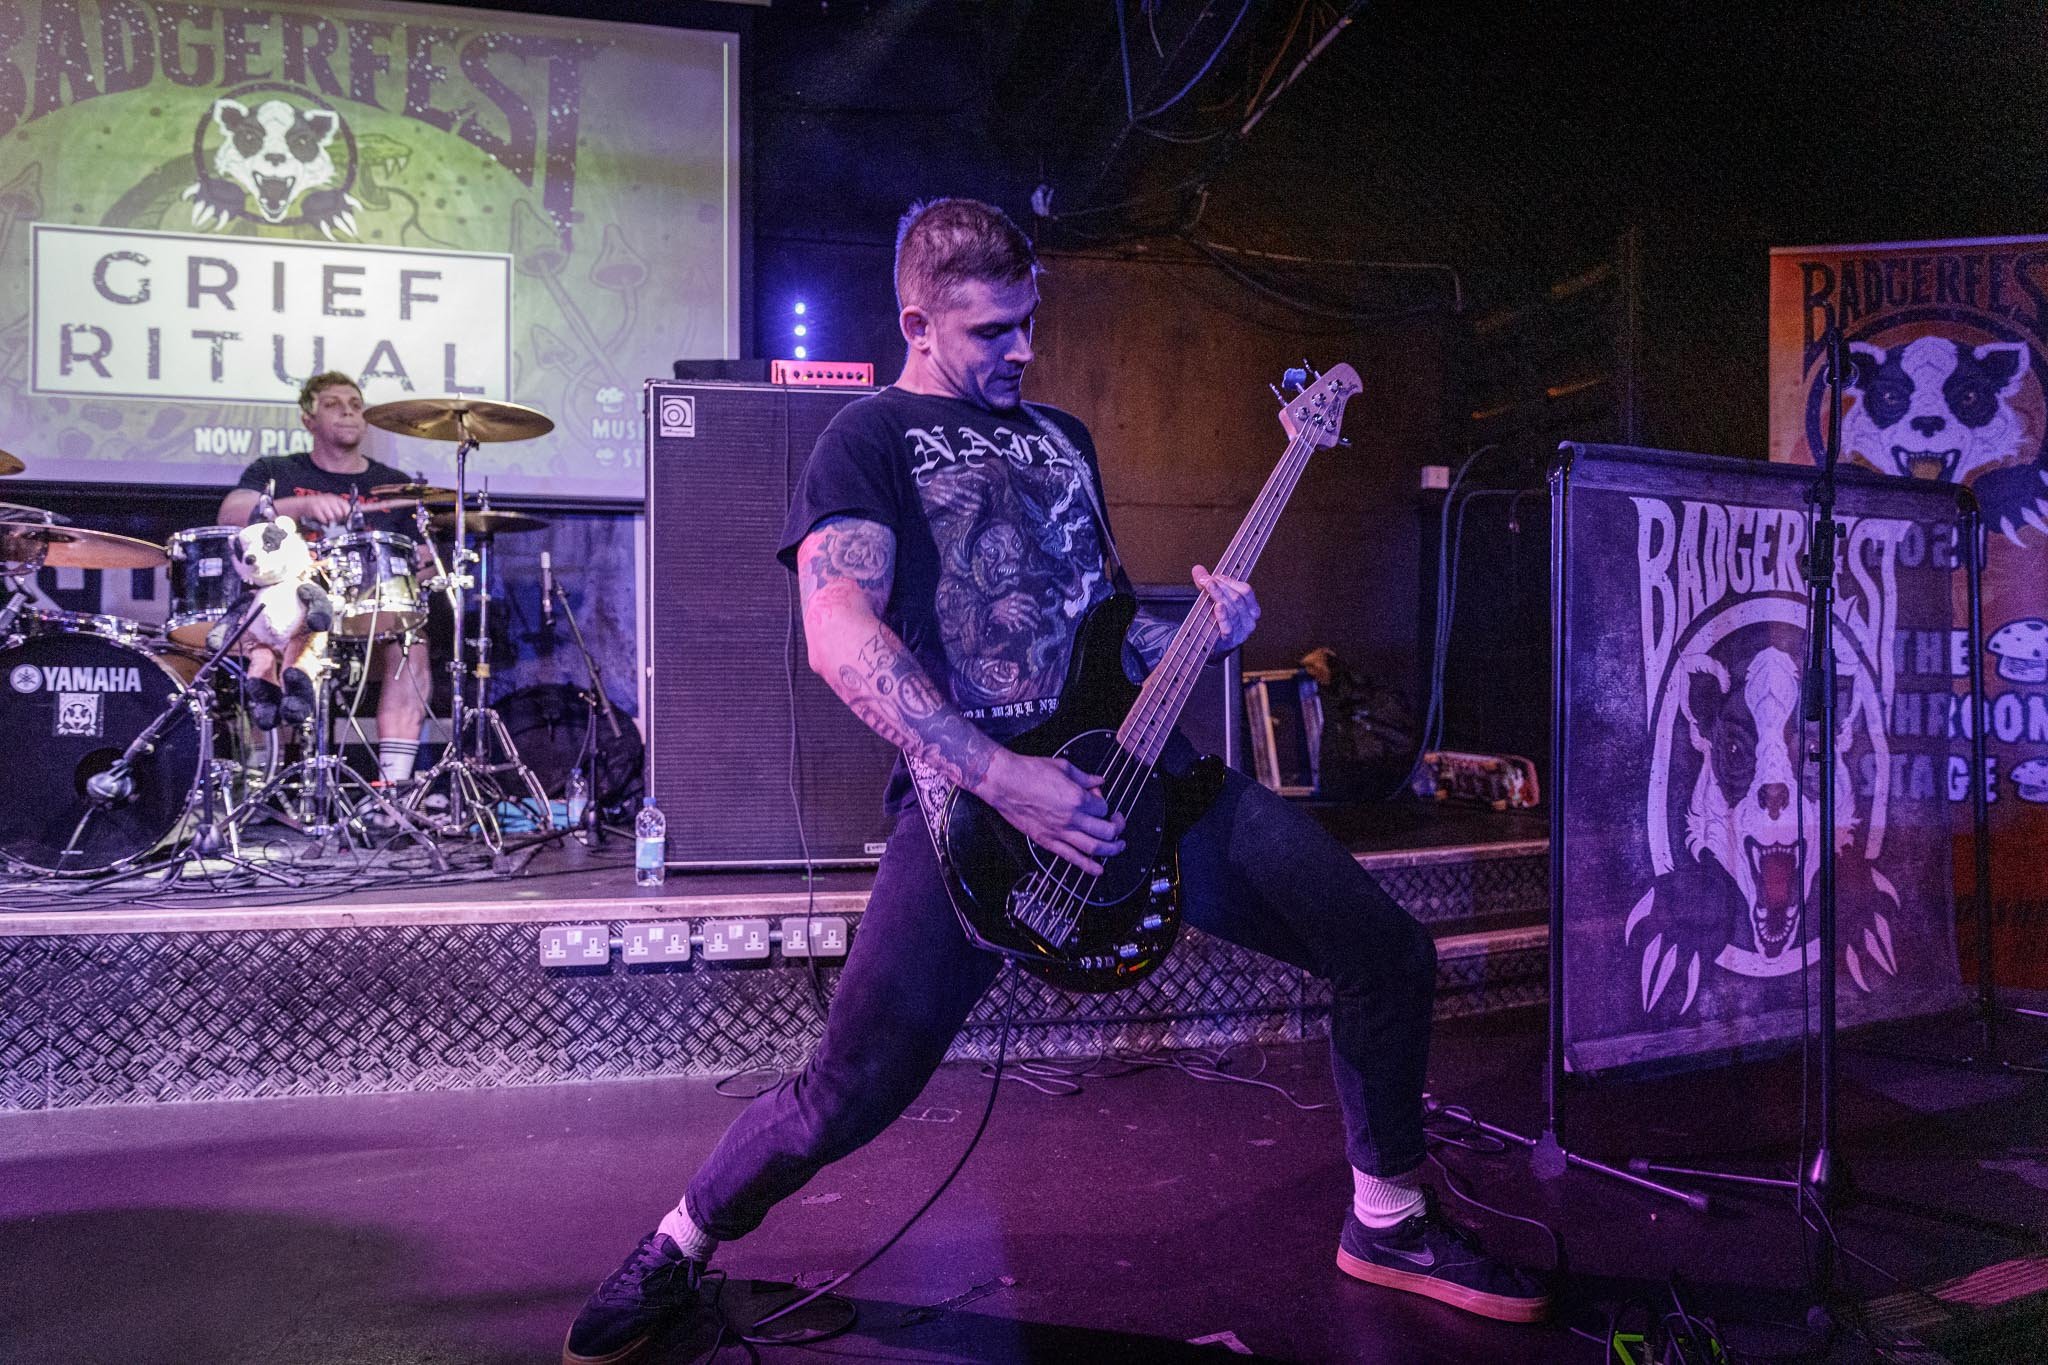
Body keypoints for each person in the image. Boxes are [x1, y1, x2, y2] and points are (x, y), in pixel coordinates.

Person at [563, 199, 1549, 1363]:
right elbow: (839, 637)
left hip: (1136, 778)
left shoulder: (1060, 438)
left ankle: (1387, 1220)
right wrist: (1004, 780)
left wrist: (1202, 629)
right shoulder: (866, 441)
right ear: (918, 321)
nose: (1023, 350)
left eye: (1030, 323)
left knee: (1382, 950)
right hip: (974, 818)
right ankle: (678, 1245)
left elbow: (1102, 632)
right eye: (991, 332)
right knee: (848, 1089)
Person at [217, 371, 434, 787]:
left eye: (355, 404)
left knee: (412, 641)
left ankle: (393, 790)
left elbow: (414, 561)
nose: (348, 411)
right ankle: (268, 782)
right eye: (333, 404)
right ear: (307, 419)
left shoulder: (392, 484)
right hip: (295, 604)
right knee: (267, 635)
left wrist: (425, 562)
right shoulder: (277, 470)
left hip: (366, 605)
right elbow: (229, 515)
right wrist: (301, 507)